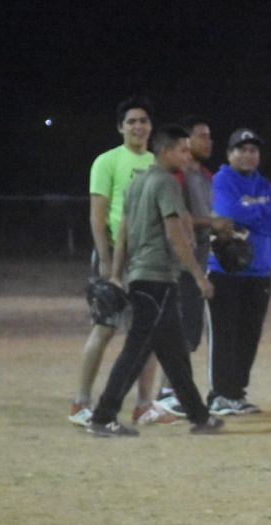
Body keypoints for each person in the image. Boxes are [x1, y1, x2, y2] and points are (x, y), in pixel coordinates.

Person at [86, 125, 224, 437]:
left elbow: (122, 232)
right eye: (183, 150)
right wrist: (199, 276)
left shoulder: (138, 183)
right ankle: (103, 415)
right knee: (135, 352)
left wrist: (117, 274)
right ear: (166, 152)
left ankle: (199, 416)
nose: (188, 156)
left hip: (141, 276)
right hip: (157, 278)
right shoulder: (165, 183)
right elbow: (175, 234)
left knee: (174, 354)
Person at [69, 96, 175, 428]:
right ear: (120, 127)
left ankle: (145, 405)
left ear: (151, 127)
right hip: (115, 253)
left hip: (147, 257)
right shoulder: (107, 162)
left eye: (143, 121)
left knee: (148, 333)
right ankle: (80, 402)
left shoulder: (157, 164)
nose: (138, 126)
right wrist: (105, 259)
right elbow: (97, 215)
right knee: (105, 328)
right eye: (131, 121)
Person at [201, 127, 271, 416]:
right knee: (223, 335)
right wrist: (258, 214)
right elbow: (228, 211)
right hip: (225, 271)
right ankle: (218, 395)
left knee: (248, 336)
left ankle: (236, 393)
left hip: (259, 272)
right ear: (229, 154)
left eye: (253, 150)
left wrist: (248, 217)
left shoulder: (264, 184)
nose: (249, 155)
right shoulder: (222, 180)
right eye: (242, 149)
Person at [156, 116, 225, 409]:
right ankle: (167, 393)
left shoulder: (206, 176)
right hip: (180, 264)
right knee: (185, 332)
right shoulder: (178, 177)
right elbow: (176, 219)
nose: (208, 141)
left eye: (210, 136)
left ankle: (167, 391)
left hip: (197, 260)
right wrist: (212, 223)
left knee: (189, 333)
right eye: (201, 136)